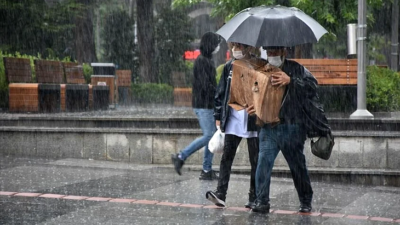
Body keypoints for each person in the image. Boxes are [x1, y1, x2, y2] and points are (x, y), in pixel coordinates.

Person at [251, 46, 323, 214]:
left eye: (275, 51)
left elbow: (312, 87)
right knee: (262, 163)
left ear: (284, 51)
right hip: (268, 127)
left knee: (297, 166)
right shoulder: (261, 70)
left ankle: (305, 200)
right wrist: (252, 107)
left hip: (291, 126)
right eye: (269, 52)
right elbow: (253, 93)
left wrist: (291, 80)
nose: (272, 55)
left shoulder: (296, 68)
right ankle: (262, 201)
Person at [205, 42, 262, 208]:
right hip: (233, 119)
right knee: (226, 158)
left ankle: (254, 196)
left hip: (253, 120)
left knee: (255, 161)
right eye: (234, 46)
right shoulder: (229, 67)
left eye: (239, 46)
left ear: (248, 48)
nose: (236, 50)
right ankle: (221, 193)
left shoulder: (258, 66)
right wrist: (218, 115)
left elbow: (265, 91)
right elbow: (220, 93)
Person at [171, 31, 221, 180]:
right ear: (210, 44)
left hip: (208, 104)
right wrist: (219, 92)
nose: (217, 47)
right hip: (203, 105)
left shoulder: (207, 60)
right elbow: (206, 85)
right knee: (209, 136)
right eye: (216, 44)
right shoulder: (202, 61)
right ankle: (181, 156)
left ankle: (206, 170)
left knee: (211, 137)